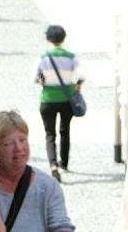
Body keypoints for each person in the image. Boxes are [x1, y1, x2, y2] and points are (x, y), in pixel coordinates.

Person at [0, 111, 75, 232]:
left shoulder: (47, 186)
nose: (18, 148)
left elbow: (61, 225)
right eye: (8, 143)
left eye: (22, 140)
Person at [35, 25, 84, 182]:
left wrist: (45, 80)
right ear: (63, 38)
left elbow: (36, 78)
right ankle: (64, 164)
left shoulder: (44, 57)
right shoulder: (70, 56)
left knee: (50, 134)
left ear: (48, 38)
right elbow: (81, 75)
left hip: (48, 99)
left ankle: (53, 165)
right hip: (66, 99)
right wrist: (76, 87)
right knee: (65, 131)